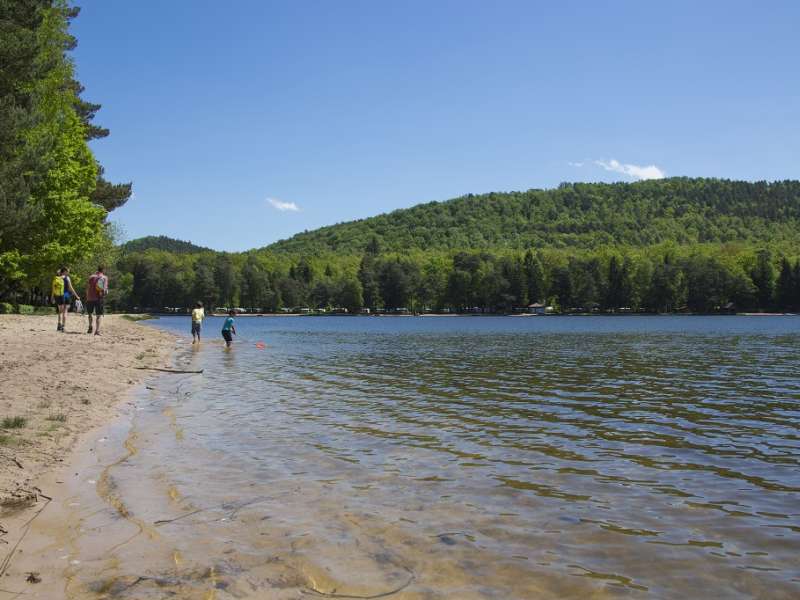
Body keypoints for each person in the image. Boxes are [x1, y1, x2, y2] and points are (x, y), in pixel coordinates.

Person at [51, 267, 80, 332]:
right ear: (64, 271)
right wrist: (77, 296)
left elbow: (53, 289)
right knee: (65, 311)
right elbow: (71, 288)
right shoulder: (67, 278)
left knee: (60, 311)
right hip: (66, 295)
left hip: (58, 296)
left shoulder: (56, 278)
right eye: (68, 271)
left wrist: (52, 297)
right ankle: (63, 326)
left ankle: (59, 325)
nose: (68, 273)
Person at [85, 266, 109, 336]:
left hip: (90, 298)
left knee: (90, 314)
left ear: (97, 270)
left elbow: (87, 288)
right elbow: (104, 290)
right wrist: (106, 292)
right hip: (99, 298)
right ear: (103, 270)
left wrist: (87, 297)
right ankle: (97, 331)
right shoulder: (104, 277)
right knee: (98, 315)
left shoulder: (91, 277)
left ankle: (90, 326)